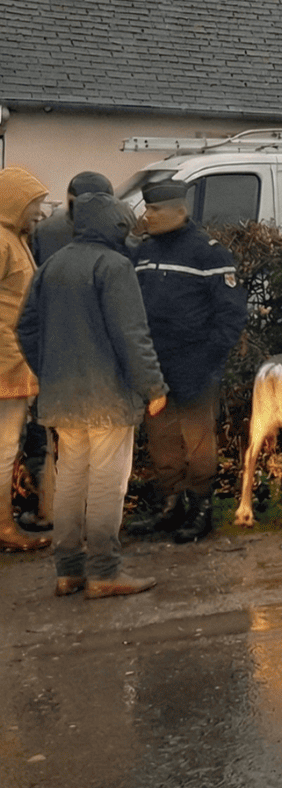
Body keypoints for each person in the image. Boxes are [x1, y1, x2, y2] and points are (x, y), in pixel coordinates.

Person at [16, 191, 168, 598]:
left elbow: (25, 329)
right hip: (108, 398)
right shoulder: (114, 266)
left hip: (61, 397)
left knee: (70, 482)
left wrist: (48, 370)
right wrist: (153, 386)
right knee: (106, 483)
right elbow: (132, 336)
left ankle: (68, 572)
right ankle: (104, 570)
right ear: (113, 225)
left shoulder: (50, 266)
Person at [131, 180, 249, 544]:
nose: (146, 216)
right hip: (156, 367)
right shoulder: (142, 252)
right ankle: (171, 506)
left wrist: (206, 361)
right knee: (162, 440)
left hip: (196, 366)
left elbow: (230, 316)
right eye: (146, 209)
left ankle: (201, 509)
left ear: (179, 211)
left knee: (197, 443)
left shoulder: (209, 254)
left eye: (154, 210)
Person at [19, 172, 114, 535]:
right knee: (103, 445)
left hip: (56, 352)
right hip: (101, 356)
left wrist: (38, 359)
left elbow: (32, 303)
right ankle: (99, 522)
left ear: (69, 197)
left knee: (54, 440)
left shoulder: (47, 233)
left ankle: (51, 512)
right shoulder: (116, 237)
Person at [0, 168, 50, 553]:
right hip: (5, 367)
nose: (41, 213)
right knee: (3, 450)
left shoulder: (13, 239)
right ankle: (4, 527)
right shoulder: (1, 243)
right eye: (34, 204)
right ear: (15, 202)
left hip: (14, 363)